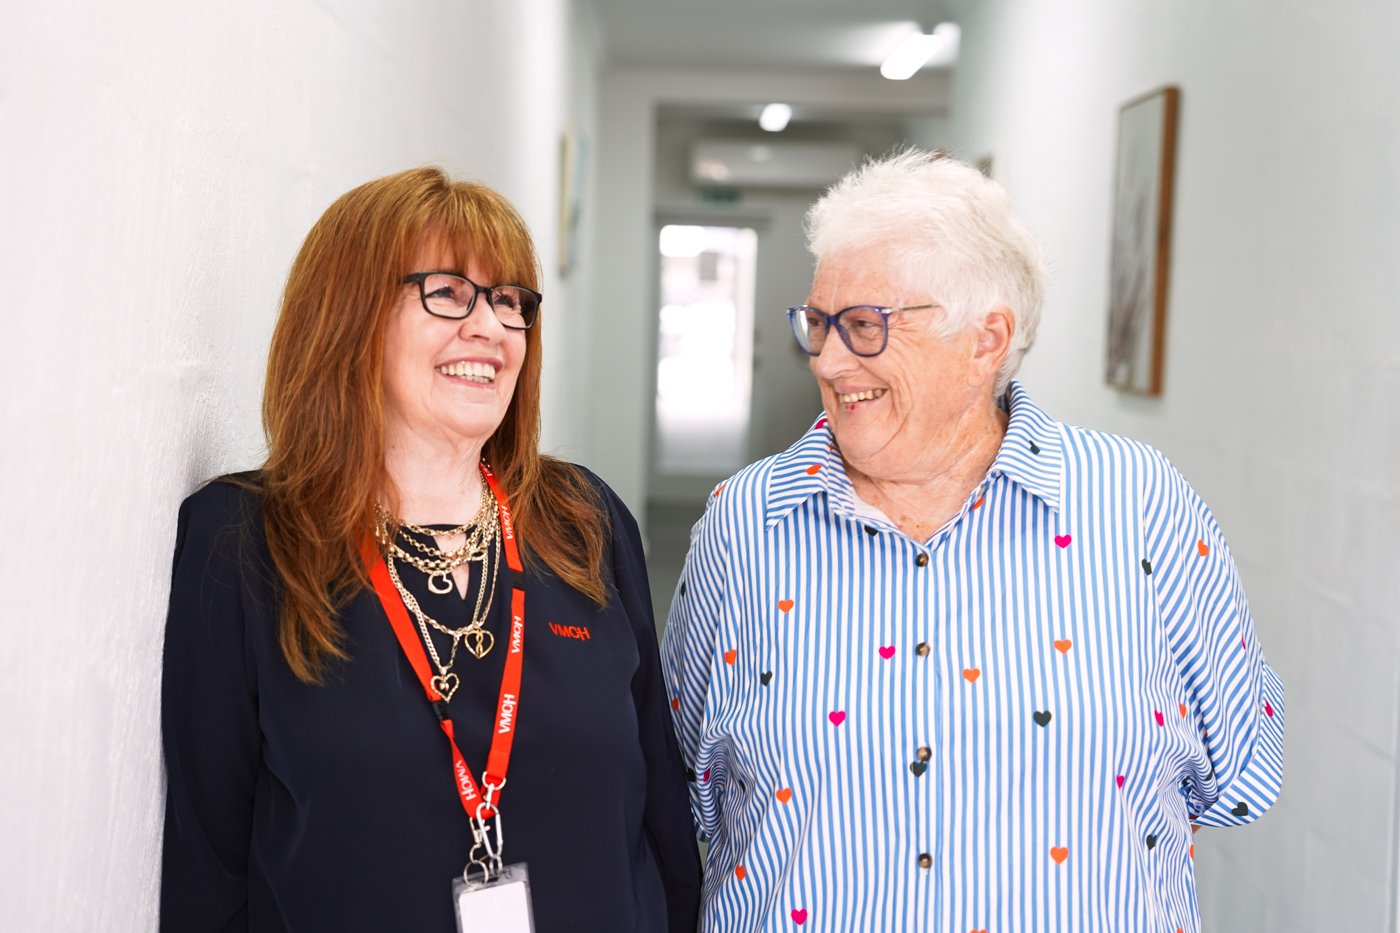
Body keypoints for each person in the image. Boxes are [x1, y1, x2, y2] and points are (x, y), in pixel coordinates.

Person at [661, 150, 1283, 933]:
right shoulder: (747, 522)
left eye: (864, 326)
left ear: (986, 339)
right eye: (818, 324)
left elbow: (1240, 771)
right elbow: (679, 787)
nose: (827, 359)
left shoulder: (1137, 504)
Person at [160, 167, 701, 932]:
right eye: (448, 292)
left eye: (510, 301)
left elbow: (664, 834)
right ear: (349, 315)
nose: (491, 327)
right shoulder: (243, 543)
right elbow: (207, 869)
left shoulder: (584, 521)